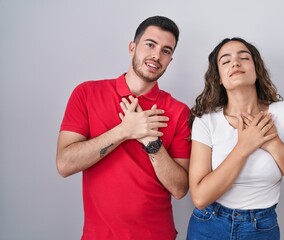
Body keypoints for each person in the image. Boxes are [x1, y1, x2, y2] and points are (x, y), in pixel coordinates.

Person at [56, 16, 191, 240]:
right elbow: (64, 164)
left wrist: (151, 141)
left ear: (170, 59)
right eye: (150, 44)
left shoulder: (179, 112)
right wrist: (124, 131)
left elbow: (179, 189)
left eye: (166, 51)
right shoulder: (87, 94)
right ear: (132, 47)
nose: (157, 55)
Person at [186, 37, 284, 240]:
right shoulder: (206, 121)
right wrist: (244, 146)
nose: (235, 63)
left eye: (244, 57)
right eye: (225, 61)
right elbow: (200, 197)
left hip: (261, 229)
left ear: (256, 70)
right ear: (220, 78)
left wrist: (275, 145)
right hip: (208, 226)